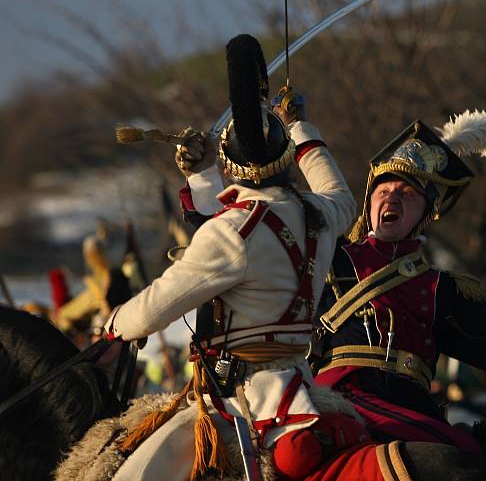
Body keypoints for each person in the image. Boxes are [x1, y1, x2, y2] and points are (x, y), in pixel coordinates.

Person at [104, 34, 363, 480]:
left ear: (229, 162)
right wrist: (300, 127)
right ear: (287, 158)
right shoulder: (322, 213)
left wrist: (113, 325)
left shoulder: (233, 231)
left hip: (239, 398)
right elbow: (339, 192)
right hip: (301, 384)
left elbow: (154, 309)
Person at [308, 114, 486, 452]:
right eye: (384, 190)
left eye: (407, 193)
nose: (392, 198)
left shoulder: (443, 288)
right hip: (342, 397)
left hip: (414, 409)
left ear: (426, 211)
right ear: (370, 203)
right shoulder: (332, 256)